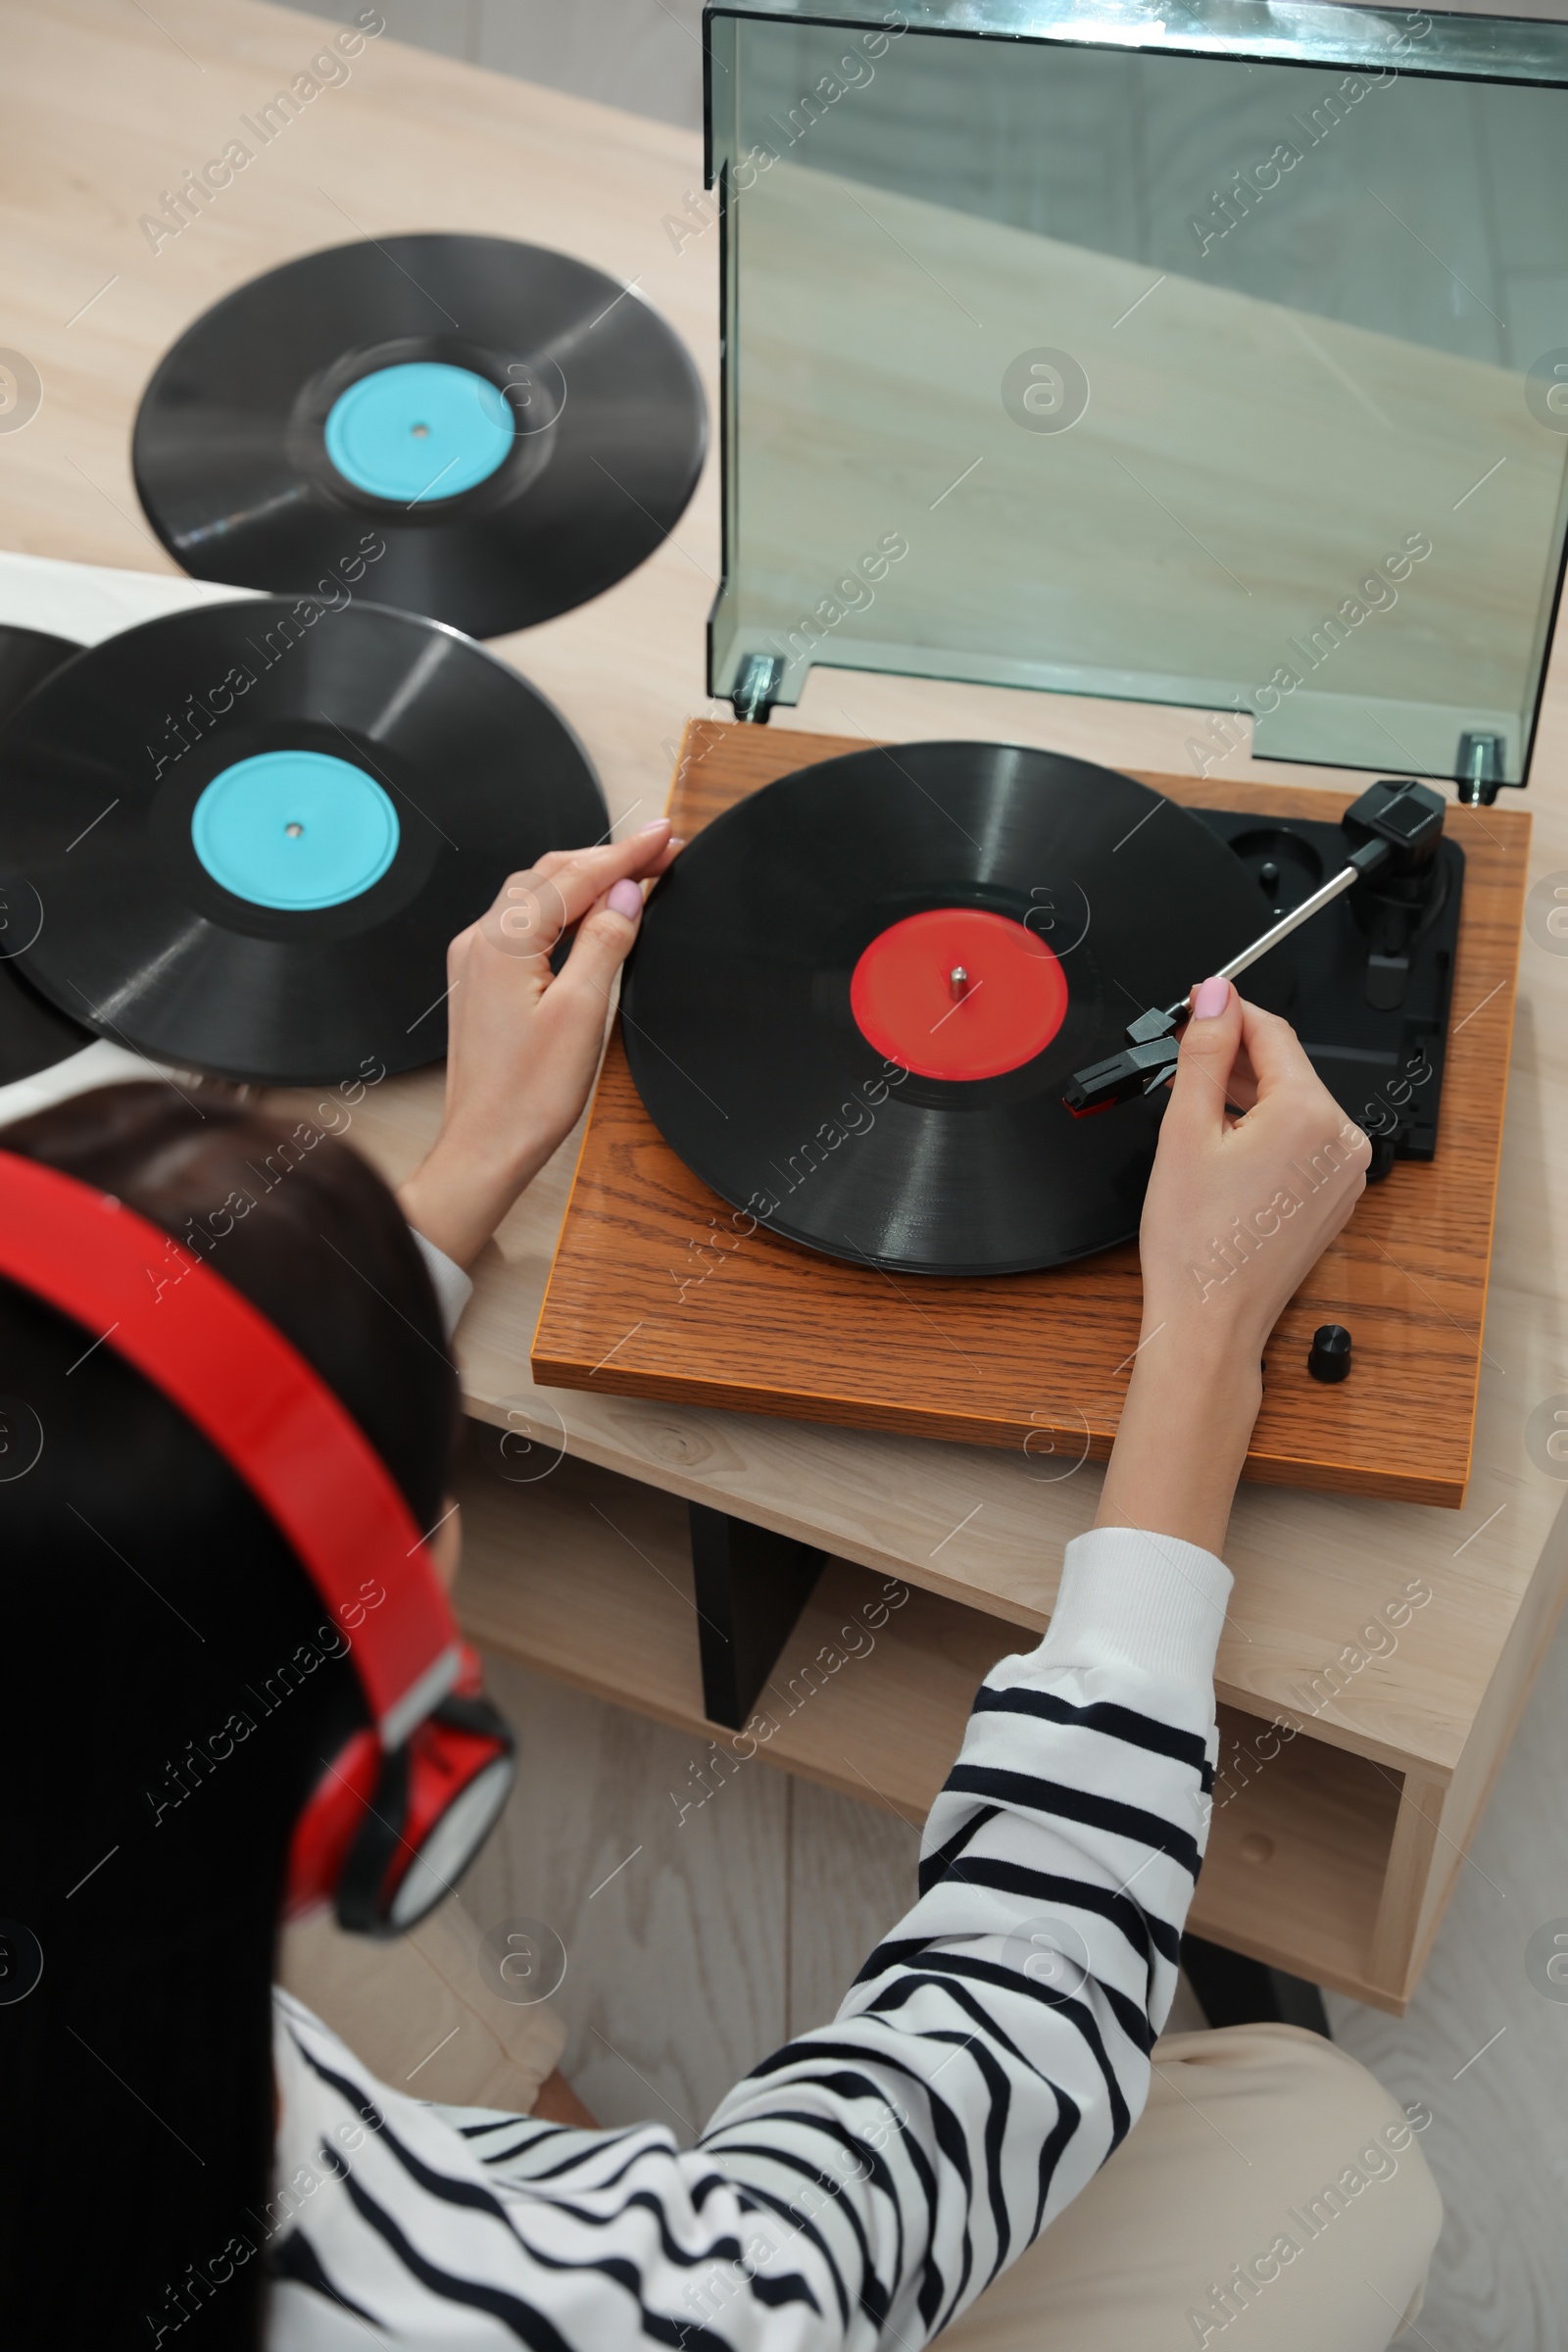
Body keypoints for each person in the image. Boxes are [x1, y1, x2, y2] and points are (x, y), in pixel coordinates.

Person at [0, 822, 1440, 2350]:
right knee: (1337, 2161)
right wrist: (1206, 1341)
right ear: (390, 1775)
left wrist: (472, 1158)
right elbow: (1006, 2036)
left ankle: (525, 2121)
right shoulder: (627, 2315)